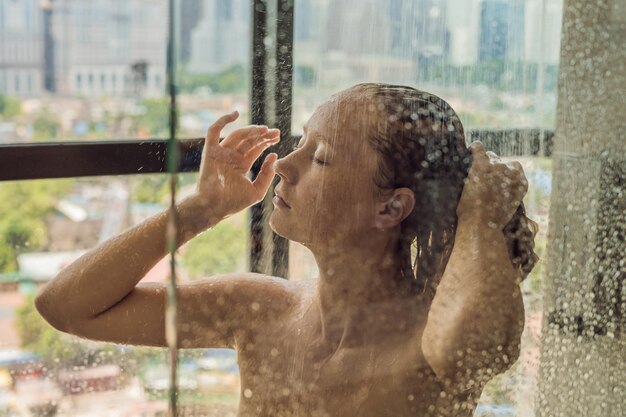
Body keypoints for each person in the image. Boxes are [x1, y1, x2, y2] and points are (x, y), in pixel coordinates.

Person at [35, 83, 537, 417]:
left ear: (391, 208)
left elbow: (472, 350)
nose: (283, 166)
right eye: (299, 145)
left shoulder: (430, 345)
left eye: (319, 156)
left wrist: (479, 218)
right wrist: (199, 210)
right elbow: (64, 306)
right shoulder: (257, 311)